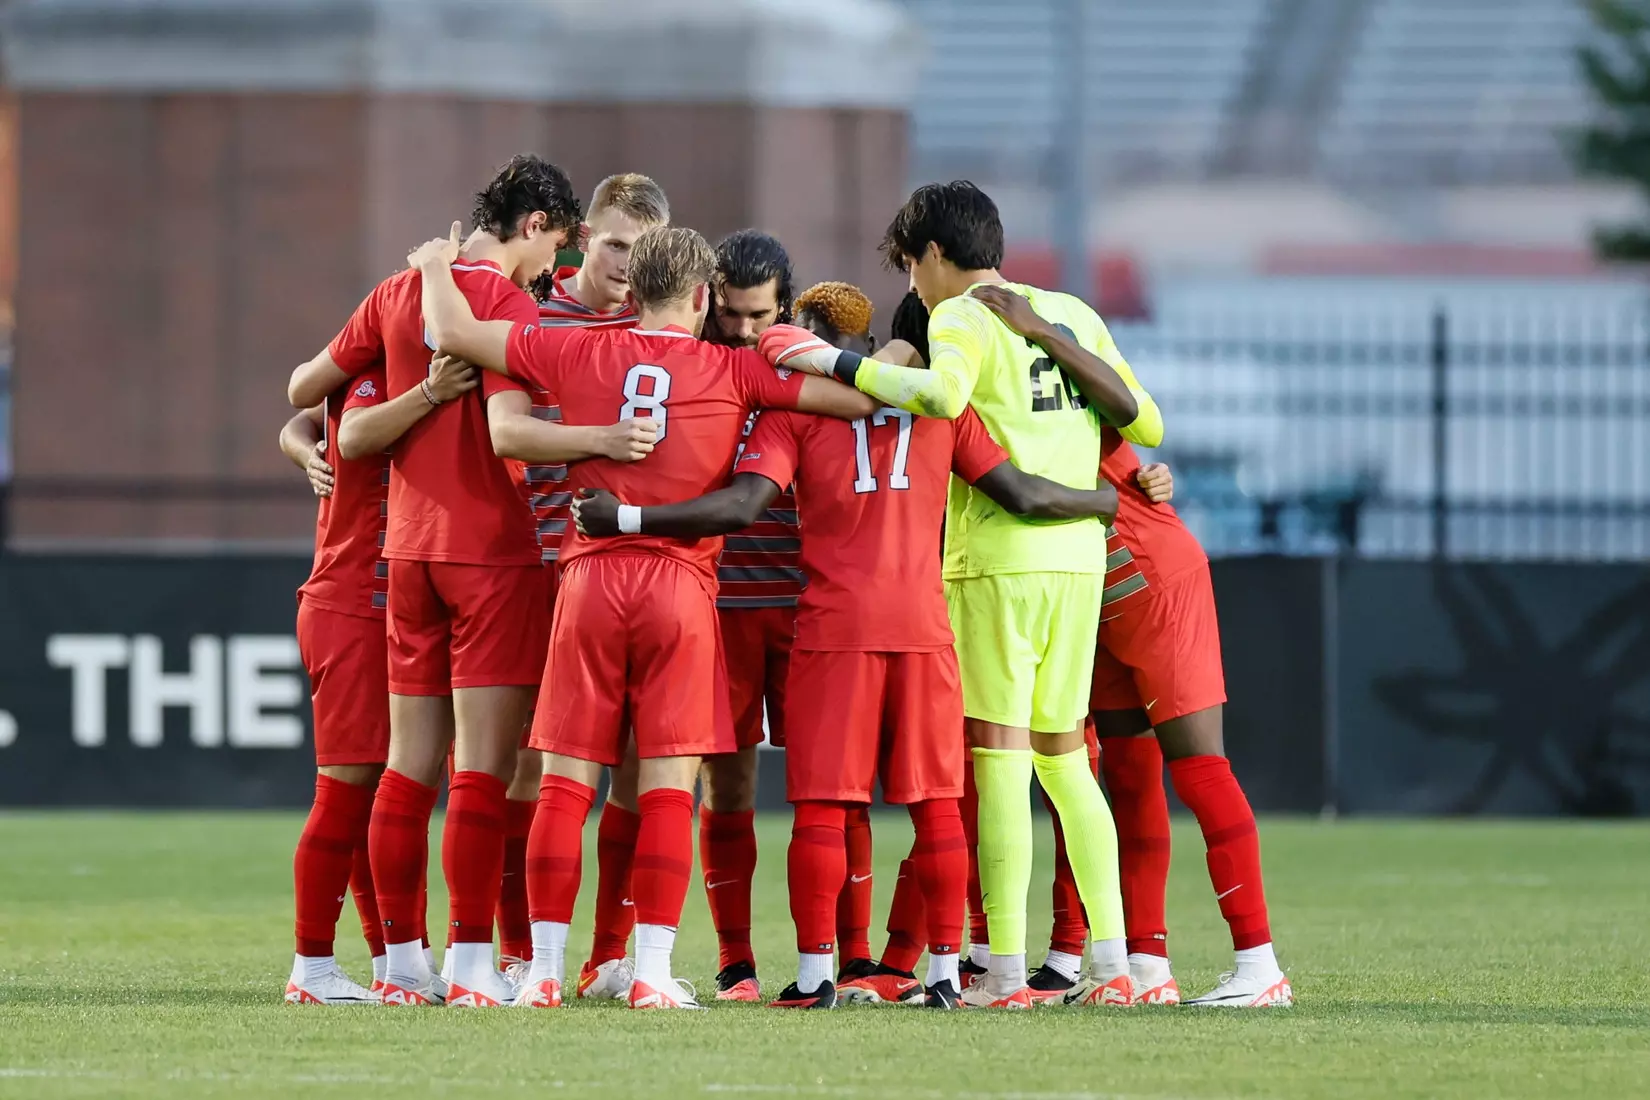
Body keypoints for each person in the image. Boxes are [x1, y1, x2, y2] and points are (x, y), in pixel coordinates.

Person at [570, 312, 1119, 1012]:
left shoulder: (796, 414)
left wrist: (628, 518)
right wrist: (1102, 500)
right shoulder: (940, 408)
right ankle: (947, 975)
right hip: (924, 628)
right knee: (937, 807)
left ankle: (812, 977)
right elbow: (1020, 491)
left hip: (834, 630)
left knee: (823, 809)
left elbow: (743, 505)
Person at [411, 222, 877, 1010]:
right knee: (668, 786)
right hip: (680, 587)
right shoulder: (734, 369)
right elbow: (860, 396)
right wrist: (791, 343)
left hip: (589, 579)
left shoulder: (573, 349)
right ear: (701, 298)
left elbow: (450, 330)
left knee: (564, 782)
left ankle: (547, 972)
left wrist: (430, 267)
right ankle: (653, 975)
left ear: (634, 293)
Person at [762, 180, 1163, 1008]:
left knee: (1000, 766)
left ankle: (1005, 974)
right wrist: (1048, 341)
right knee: (1067, 763)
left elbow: (941, 398)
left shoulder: (959, 316)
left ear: (935, 256)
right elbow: (1144, 422)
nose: (913, 286)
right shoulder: (1072, 312)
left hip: (994, 565)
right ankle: (1121, 970)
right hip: (1081, 561)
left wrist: (830, 360)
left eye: (912, 268)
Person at [288, 153, 595, 1009]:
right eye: (556, 249)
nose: (555, 272)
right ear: (535, 225)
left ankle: (398, 967)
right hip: (487, 551)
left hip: (406, 555)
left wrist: (305, 436)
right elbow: (509, 430)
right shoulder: (503, 303)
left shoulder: (396, 291)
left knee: (406, 768)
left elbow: (309, 390)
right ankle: (467, 966)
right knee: (482, 774)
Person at [973, 288, 1293, 1009]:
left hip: (1150, 575)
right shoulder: (995, 391)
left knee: (1200, 764)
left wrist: (1042, 332)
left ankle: (1259, 964)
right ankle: (1146, 970)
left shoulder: (1057, 373)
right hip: (1091, 590)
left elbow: (1131, 421)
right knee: (1130, 776)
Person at [481, 172, 670, 995]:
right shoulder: (535, 315)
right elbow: (508, 435)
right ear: (583, 237)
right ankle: (523, 951)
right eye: (617, 243)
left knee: (635, 762)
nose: (628, 263)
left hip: (630, 569)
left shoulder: (660, 327)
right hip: (537, 564)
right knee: (532, 764)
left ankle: (607, 953)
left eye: (644, 249)